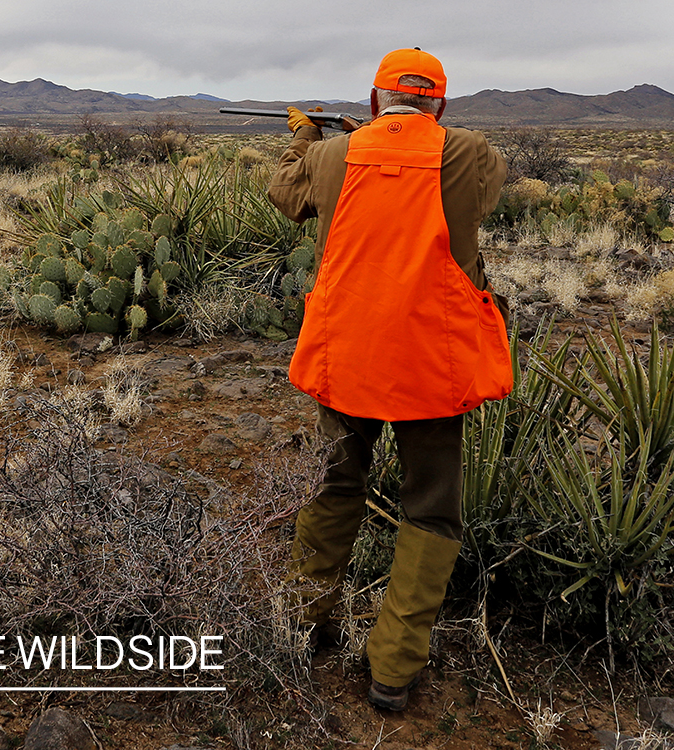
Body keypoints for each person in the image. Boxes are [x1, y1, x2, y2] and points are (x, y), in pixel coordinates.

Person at [268, 48, 511, 711]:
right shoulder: (470, 153)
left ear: (374, 102)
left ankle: (304, 622)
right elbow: (467, 189)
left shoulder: (328, 157)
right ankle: (392, 672)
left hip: (346, 357)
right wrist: (378, 143)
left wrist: (306, 136)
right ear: (442, 104)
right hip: (430, 364)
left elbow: (286, 196)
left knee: (333, 482)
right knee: (429, 509)